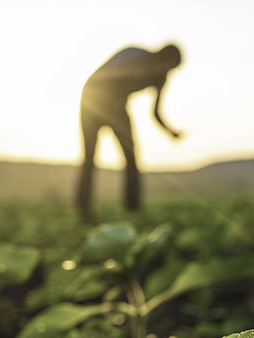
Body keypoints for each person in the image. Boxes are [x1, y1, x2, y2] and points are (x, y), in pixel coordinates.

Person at [77, 44, 182, 219]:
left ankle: (133, 207)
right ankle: (84, 209)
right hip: (92, 99)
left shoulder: (161, 77)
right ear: (161, 56)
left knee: (131, 155)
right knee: (90, 156)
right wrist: (113, 111)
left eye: (171, 69)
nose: (167, 70)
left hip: (118, 105)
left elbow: (155, 112)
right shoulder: (134, 55)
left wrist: (170, 131)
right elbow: (108, 82)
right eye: (167, 65)